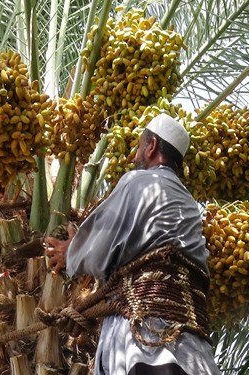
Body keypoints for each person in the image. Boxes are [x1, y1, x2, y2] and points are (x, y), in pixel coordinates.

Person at [44, 113, 220, 375]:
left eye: (139, 146)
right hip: (190, 348)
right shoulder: (188, 203)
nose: (134, 156)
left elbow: (100, 249)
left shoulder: (139, 181)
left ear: (151, 147)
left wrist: (71, 253)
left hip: (148, 339)